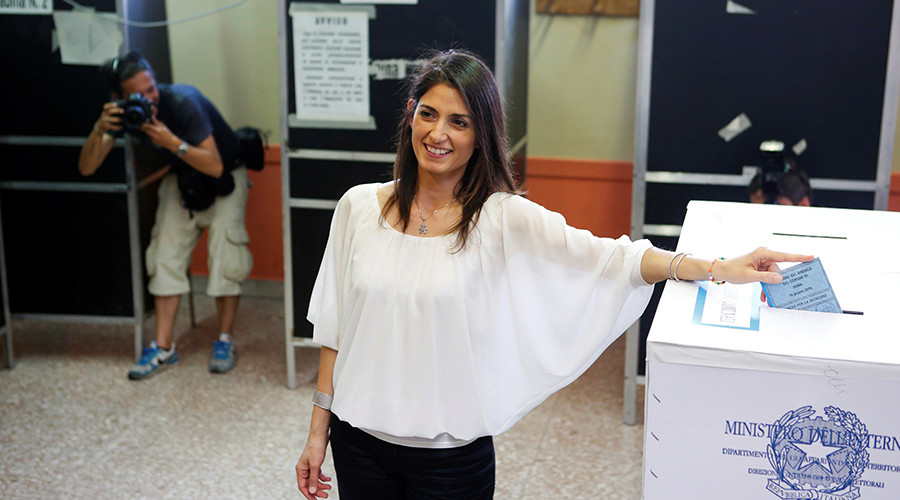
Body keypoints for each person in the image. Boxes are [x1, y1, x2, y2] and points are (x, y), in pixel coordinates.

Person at [294, 49, 811, 499]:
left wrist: (718, 267)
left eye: (459, 121)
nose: (438, 133)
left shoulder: (500, 217)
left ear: (481, 135)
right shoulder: (357, 208)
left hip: (448, 461)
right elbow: (337, 330)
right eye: (428, 114)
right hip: (358, 443)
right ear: (410, 117)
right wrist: (319, 431)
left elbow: (613, 258)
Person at [78, 51, 252, 380]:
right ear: (119, 98)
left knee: (225, 253)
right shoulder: (124, 115)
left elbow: (214, 165)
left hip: (224, 173)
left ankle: (225, 339)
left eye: (152, 88)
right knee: (163, 255)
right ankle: (163, 349)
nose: (149, 98)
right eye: (139, 95)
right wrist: (101, 128)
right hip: (183, 175)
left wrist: (174, 143)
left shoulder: (183, 101)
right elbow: (87, 167)